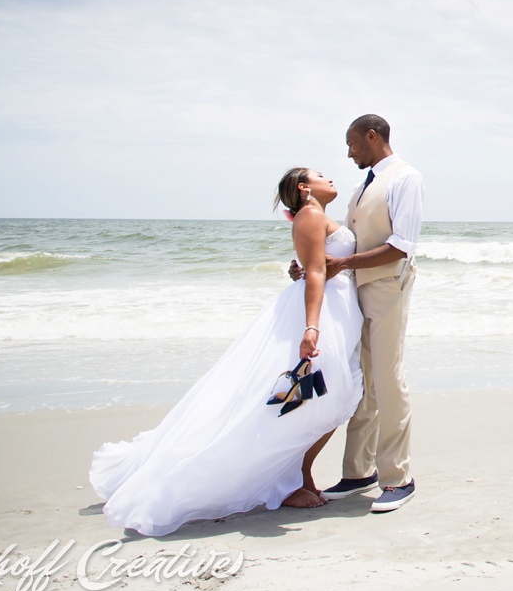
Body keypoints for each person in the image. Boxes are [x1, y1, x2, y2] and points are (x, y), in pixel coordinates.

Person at [89, 168, 364, 536]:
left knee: (322, 397)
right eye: (318, 175)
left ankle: (297, 475)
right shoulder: (311, 215)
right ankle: (289, 481)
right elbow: (315, 273)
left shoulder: (319, 216)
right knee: (315, 397)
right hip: (322, 313)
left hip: (336, 311)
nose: (329, 177)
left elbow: (315, 266)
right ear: (303, 188)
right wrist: (311, 327)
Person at [292, 114, 423, 513]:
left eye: (352, 145)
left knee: (386, 377)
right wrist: (308, 267)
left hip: (386, 286)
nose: (348, 154)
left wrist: (344, 267)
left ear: (372, 136)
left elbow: (402, 245)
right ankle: (357, 472)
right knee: (360, 381)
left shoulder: (405, 178)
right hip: (354, 293)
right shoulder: (360, 186)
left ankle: (398, 477)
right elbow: (343, 245)